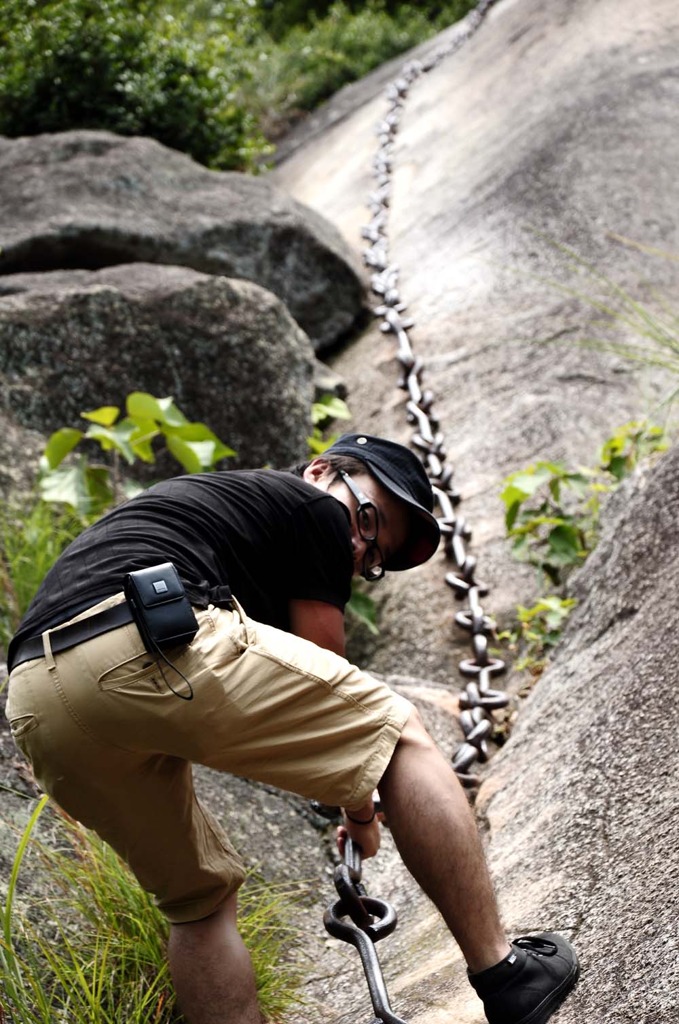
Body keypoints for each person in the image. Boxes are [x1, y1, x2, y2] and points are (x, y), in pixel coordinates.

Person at [5, 432, 579, 1024]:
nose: (360, 550)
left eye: (375, 559)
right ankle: (507, 976)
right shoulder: (310, 507)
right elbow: (343, 688)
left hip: (34, 696)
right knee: (400, 732)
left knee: (196, 902)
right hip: (144, 637)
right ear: (320, 470)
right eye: (367, 519)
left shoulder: (226, 519)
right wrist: (360, 815)